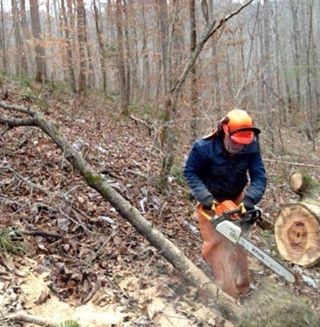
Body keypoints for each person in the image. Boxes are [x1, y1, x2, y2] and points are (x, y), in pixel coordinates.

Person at [183, 109, 267, 297]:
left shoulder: (251, 145)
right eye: (236, 143)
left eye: (243, 144)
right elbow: (190, 172)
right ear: (225, 132)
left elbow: (259, 176)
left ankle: (242, 289)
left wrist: (250, 200)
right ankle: (228, 295)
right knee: (216, 245)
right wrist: (206, 199)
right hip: (210, 200)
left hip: (236, 198)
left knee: (239, 243)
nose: (239, 148)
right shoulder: (203, 147)